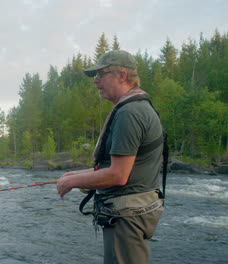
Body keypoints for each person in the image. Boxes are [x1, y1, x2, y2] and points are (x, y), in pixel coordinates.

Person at [56, 50, 165, 264]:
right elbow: (119, 166)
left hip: (127, 216)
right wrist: (76, 174)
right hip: (134, 212)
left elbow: (118, 175)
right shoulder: (138, 107)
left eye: (101, 74)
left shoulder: (129, 113)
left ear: (122, 75)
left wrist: (72, 181)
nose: (95, 81)